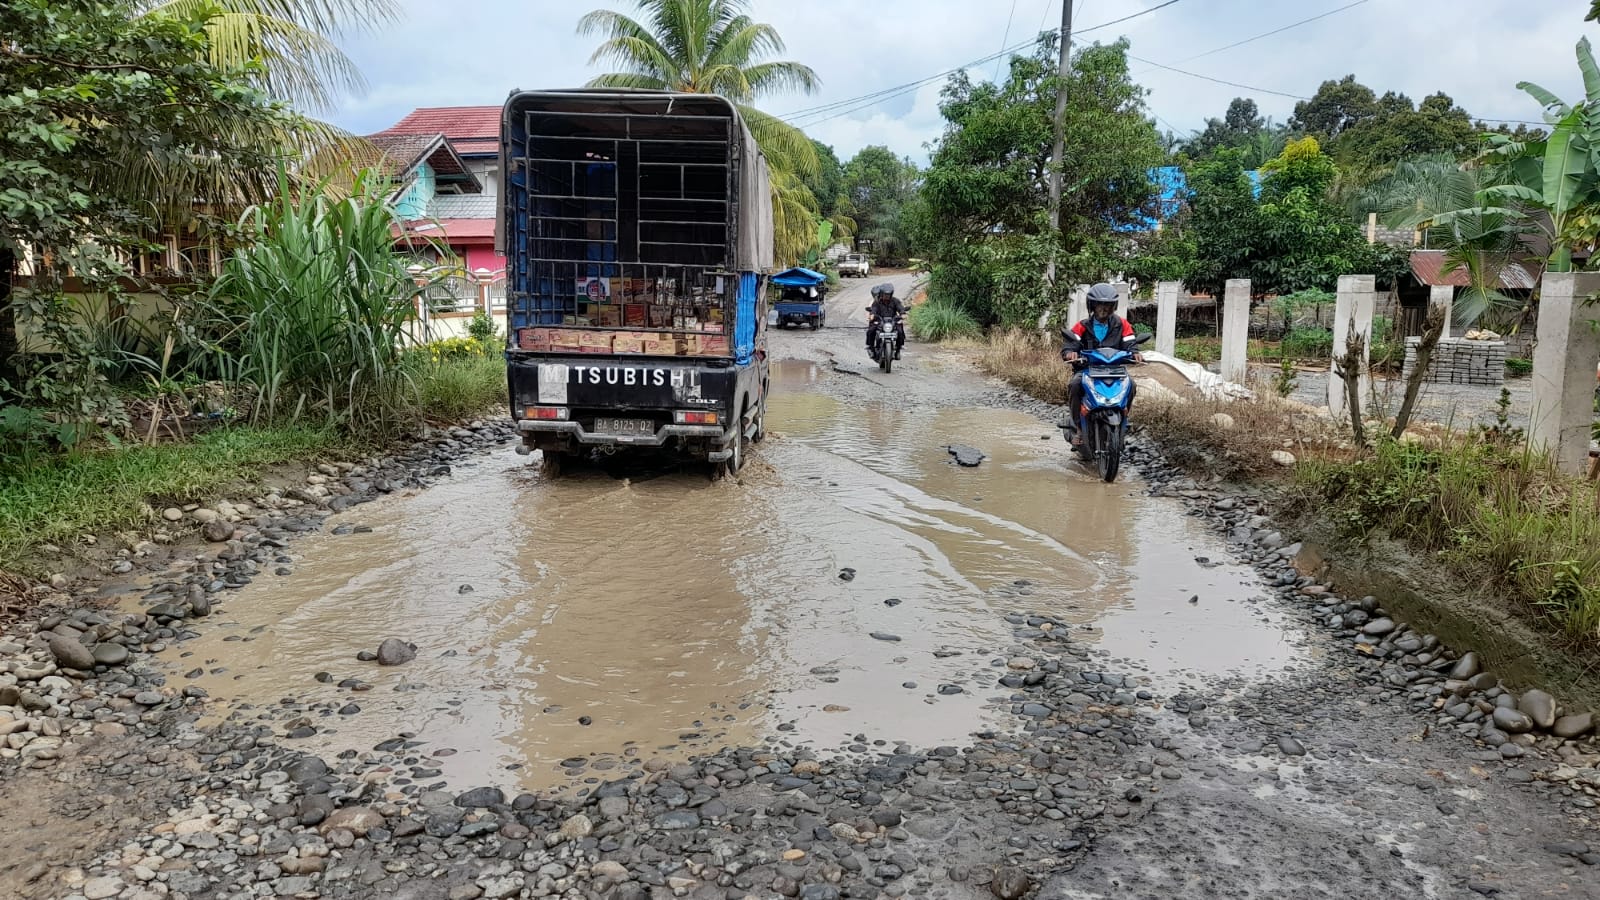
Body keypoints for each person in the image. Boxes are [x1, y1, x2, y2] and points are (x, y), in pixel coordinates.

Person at [1061, 283, 1141, 445]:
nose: (1103, 308)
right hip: (1088, 370)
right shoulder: (1082, 326)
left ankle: (1124, 417)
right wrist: (1070, 353)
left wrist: (1136, 353)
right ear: (1092, 305)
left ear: (1114, 306)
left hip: (1115, 371)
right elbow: (1070, 344)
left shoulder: (1122, 325)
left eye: (1107, 305)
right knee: (1075, 385)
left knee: (1131, 385)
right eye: (1099, 304)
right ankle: (1079, 427)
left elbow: (1130, 344)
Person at [866, 283, 906, 359]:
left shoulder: (895, 301)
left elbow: (900, 307)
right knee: (871, 330)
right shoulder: (877, 302)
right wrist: (872, 315)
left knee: (900, 331)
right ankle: (871, 348)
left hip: (892, 321)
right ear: (881, 294)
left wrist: (902, 313)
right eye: (885, 294)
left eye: (888, 294)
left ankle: (898, 350)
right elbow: (873, 309)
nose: (887, 296)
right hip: (880, 321)